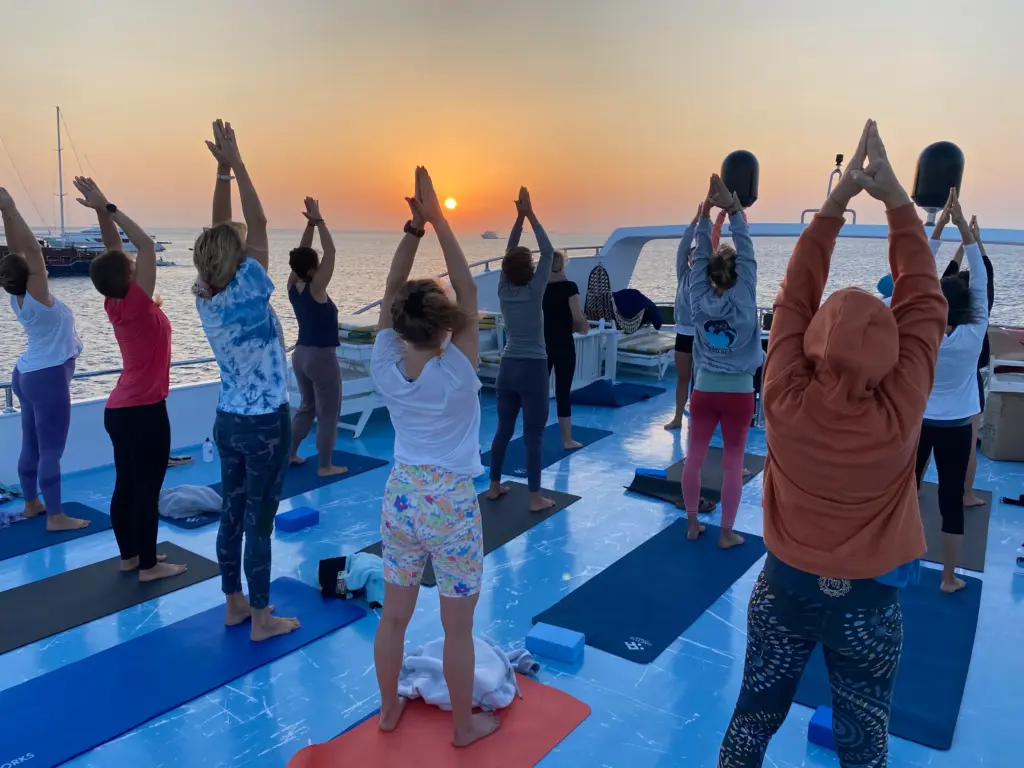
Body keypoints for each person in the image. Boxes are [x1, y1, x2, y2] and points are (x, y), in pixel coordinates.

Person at [718, 120, 947, 767]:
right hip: (870, 606)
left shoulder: (783, 395)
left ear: (812, 343)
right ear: (892, 357)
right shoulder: (901, 408)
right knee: (862, 743)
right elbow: (925, 301)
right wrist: (898, 201)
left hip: (785, 589)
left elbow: (793, 297)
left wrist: (839, 201)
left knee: (750, 724)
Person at [370, 167, 497, 747]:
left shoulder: (385, 367)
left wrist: (414, 229)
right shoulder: (459, 374)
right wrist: (441, 219)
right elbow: (470, 295)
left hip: (401, 496)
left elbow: (394, 286)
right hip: (449, 501)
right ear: (447, 327)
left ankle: (388, 709)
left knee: (393, 615)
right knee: (457, 626)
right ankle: (464, 725)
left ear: (398, 322)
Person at [194, 120, 298, 642]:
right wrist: (238, 165)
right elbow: (256, 219)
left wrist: (220, 173)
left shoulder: (206, 294)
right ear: (239, 261)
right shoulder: (252, 286)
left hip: (228, 420)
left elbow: (223, 234)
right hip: (264, 424)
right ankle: (261, 618)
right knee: (260, 520)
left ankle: (234, 604)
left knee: (232, 515)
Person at [74, 176, 185, 581]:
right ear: (129, 279)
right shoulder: (136, 304)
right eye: (134, 269)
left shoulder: (115, 300)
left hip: (119, 410)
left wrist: (102, 210)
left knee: (125, 485)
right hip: (143, 411)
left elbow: (114, 251)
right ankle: (149, 566)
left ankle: (128, 558)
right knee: (146, 489)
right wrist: (110, 207)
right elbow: (142, 245)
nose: (139, 266)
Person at [681, 175, 762, 548]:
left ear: (709, 274)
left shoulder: (697, 296)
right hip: (739, 393)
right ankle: (726, 532)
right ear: (738, 274)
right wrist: (734, 210)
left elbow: (698, 258)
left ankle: (693, 524)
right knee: (732, 463)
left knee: (693, 459)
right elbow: (746, 251)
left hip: (705, 389)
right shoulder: (744, 294)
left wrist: (704, 216)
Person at [0, 186, 88, 532]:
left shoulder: (18, 298)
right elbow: (31, 250)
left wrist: (6, 214)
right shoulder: (38, 297)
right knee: (51, 448)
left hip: (26, 375)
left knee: (31, 443)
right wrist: (11, 206)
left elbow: (20, 252)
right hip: (48, 378)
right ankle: (55, 515)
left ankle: (32, 503)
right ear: (30, 275)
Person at [915, 186, 987, 594]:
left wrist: (939, 229)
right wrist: (966, 231)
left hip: (920, 422)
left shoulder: (923, 333)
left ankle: (896, 555)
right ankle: (948, 578)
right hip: (958, 426)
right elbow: (978, 278)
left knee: (907, 492)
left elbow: (918, 274)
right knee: (950, 505)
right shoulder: (975, 333)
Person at [486, 187, 556, 512]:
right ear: (529, 269)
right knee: (534, 434)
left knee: (503, 429)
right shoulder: (536, 288)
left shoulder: (503, 289)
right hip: (532, 369)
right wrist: (530, 214)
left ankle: (494, 485)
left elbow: (509, 252)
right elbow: (549, 250)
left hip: (507, 367)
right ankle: (534, 497)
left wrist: (518, 218)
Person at [933, 214, 993, 508]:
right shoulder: (976, 321)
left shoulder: (924, 332)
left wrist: (945, 228)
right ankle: (964, 495)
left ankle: (914, 488)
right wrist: (973, 239)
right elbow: (983, 274)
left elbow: (935, 274)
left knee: (917, 455)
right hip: (964, 392)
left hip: (926, 404)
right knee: (966, 449)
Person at [287, 196, 346, 476]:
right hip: (322, 357)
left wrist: (309, 225)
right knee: (328, 413)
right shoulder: (316, 287)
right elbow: (331, 252)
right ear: (313, 268)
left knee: (306, 407)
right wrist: (319, 221)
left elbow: (302, 254)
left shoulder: (293, 284)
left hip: (300, 355)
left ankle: (290, 454)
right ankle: (325, 466)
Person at [543, 249, 589, 448]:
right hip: (563, 343)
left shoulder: (539, 288)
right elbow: (577, 317)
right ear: (562, 265)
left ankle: (535, 437)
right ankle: (566, 440)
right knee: (563, 392)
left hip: (542, 344)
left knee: (539, 392)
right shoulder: (569, 287)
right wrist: (584, 328)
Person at [664, 206, 699, 430]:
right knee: (683, 378)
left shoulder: (707, 277)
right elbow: (683, 245)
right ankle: (678, 417)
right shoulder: (683, 274)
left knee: (702, 380)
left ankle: (699, 419)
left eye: (700, 255)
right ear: (688, 258)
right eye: (692, 255)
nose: (695, 257)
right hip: (684, 334)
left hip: (703, 336)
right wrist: (696, 220)